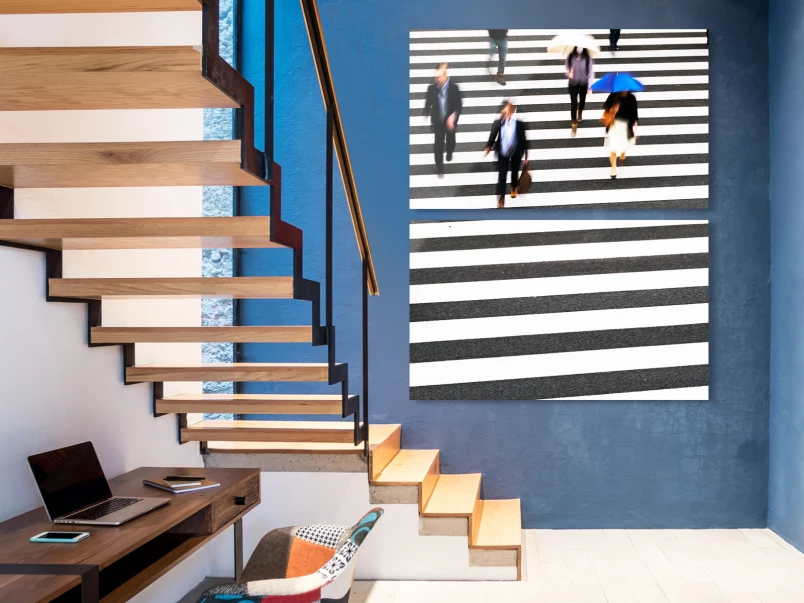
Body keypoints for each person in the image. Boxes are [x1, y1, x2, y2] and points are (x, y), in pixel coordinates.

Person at [484, 100, 530, 208]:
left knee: (515, 171)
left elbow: (524, 139)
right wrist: (488, 146)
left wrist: (526, 155)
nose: (505, 114)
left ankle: (514, 186)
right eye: (504, 112)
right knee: (502, 176)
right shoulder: (497, 123)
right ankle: (501, 199)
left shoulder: (519, 124)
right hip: (502, 152)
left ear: (512, 112)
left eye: (508, 111)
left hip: (516, 151)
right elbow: (493, 135)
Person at [423, 63, 463, 177]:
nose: (437, 79)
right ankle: (440, 166)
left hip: (450, 121)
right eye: (436, 77)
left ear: (445, 76)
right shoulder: (431, 89)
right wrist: (426, 111)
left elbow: (459, 105)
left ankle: (450, 151)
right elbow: (428, 102)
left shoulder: (454, 88)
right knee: (438, 145)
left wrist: (453, 116)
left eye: (439, 77)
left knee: (451, 141)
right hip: (438, 121)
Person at [603, 91, 639, 178]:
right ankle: (614, 169)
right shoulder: (613, 95)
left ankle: (623, 152)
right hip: (613, 125)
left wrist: (636, 128)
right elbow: (606, 107)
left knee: (624, 143)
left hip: (626, 126)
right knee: (612, 147)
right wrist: (613, 109)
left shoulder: (631, 98)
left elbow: (634, 114)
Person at [566, 47, 594, 136]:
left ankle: (580, 111)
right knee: (574, 103)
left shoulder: (587, 58)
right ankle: (574, 126)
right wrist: (568, 73)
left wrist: (590, 86)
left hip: (583, 82)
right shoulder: (570, 57)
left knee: (582, 101)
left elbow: (591, 72)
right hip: (573, 83)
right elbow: (566, 68)